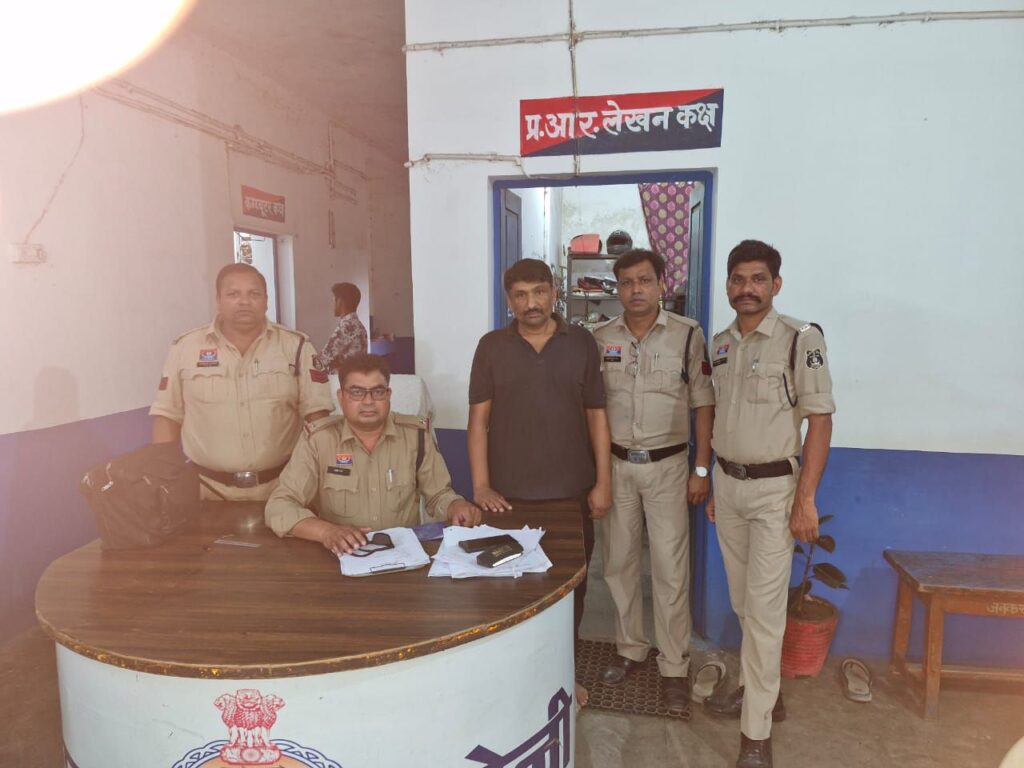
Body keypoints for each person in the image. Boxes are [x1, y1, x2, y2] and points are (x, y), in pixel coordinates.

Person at [703, 240, 835, 768]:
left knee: (762, 612)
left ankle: (755, 735)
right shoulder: (720, 344)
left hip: (775, 492)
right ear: (728, 285)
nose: (746, 288)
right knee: (744, 603)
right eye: (738, 279)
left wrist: (806, 499)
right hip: (729, 487)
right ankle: (768, 691)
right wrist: (716, 485)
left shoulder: (801, 339)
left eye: (758, 279)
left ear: (775, 285)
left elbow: (820, 421)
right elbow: (721, 418)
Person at [467, 258, 612, 708]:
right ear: (509, 300)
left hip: (572, 495)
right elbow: (478, 421)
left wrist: (602, 482)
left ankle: (563, 676)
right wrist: (481, 486)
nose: (531, 303)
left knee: (570, 594)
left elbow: (597, 417)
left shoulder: (581, 342)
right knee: (509, 592)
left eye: (539, 292)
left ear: (554, 291)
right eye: (520, 295)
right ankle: (515, 683)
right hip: (508, 499)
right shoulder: (491, 347)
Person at [592, 249, 715, 715]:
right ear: (617, 288)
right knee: (618, 563)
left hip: (668, 468)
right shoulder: (601, 338)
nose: (636, 290)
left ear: (662, 284)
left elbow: (703, 404)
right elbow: (593, 411)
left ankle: (674, 665)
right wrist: (597, 475)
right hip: (617, 466)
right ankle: (630, 648)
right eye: (626, 282)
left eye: (645, 280)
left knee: (669, 569)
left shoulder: (687, 335)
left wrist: (700, 468)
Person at [151, 263, 334, 501]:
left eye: (254, 294)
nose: (244, 301)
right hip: (206, 491)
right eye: (233, 294)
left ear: (266, 300)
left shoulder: (296, 347)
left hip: (283, 489)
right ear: (218, 300)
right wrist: (166, 480)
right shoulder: (185, 348)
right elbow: (167, 416)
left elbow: (317, 419)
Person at [266, 354, 481, 550]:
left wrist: (455, 505)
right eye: (357, 392)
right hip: (340, 555)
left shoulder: (415, 436)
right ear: (341, 397)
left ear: (388, 395)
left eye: (377, 392)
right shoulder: (318, 440)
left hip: (403, 554)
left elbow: (439, 495)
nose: (368, 401)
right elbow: (280, 505)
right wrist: (327, 532)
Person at [316, 282, 368, 373]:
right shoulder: (359, 326)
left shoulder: (346, 327)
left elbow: (322, 361)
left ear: (340, 301)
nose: (332, 305)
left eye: (333, 301)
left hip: (341, 378)